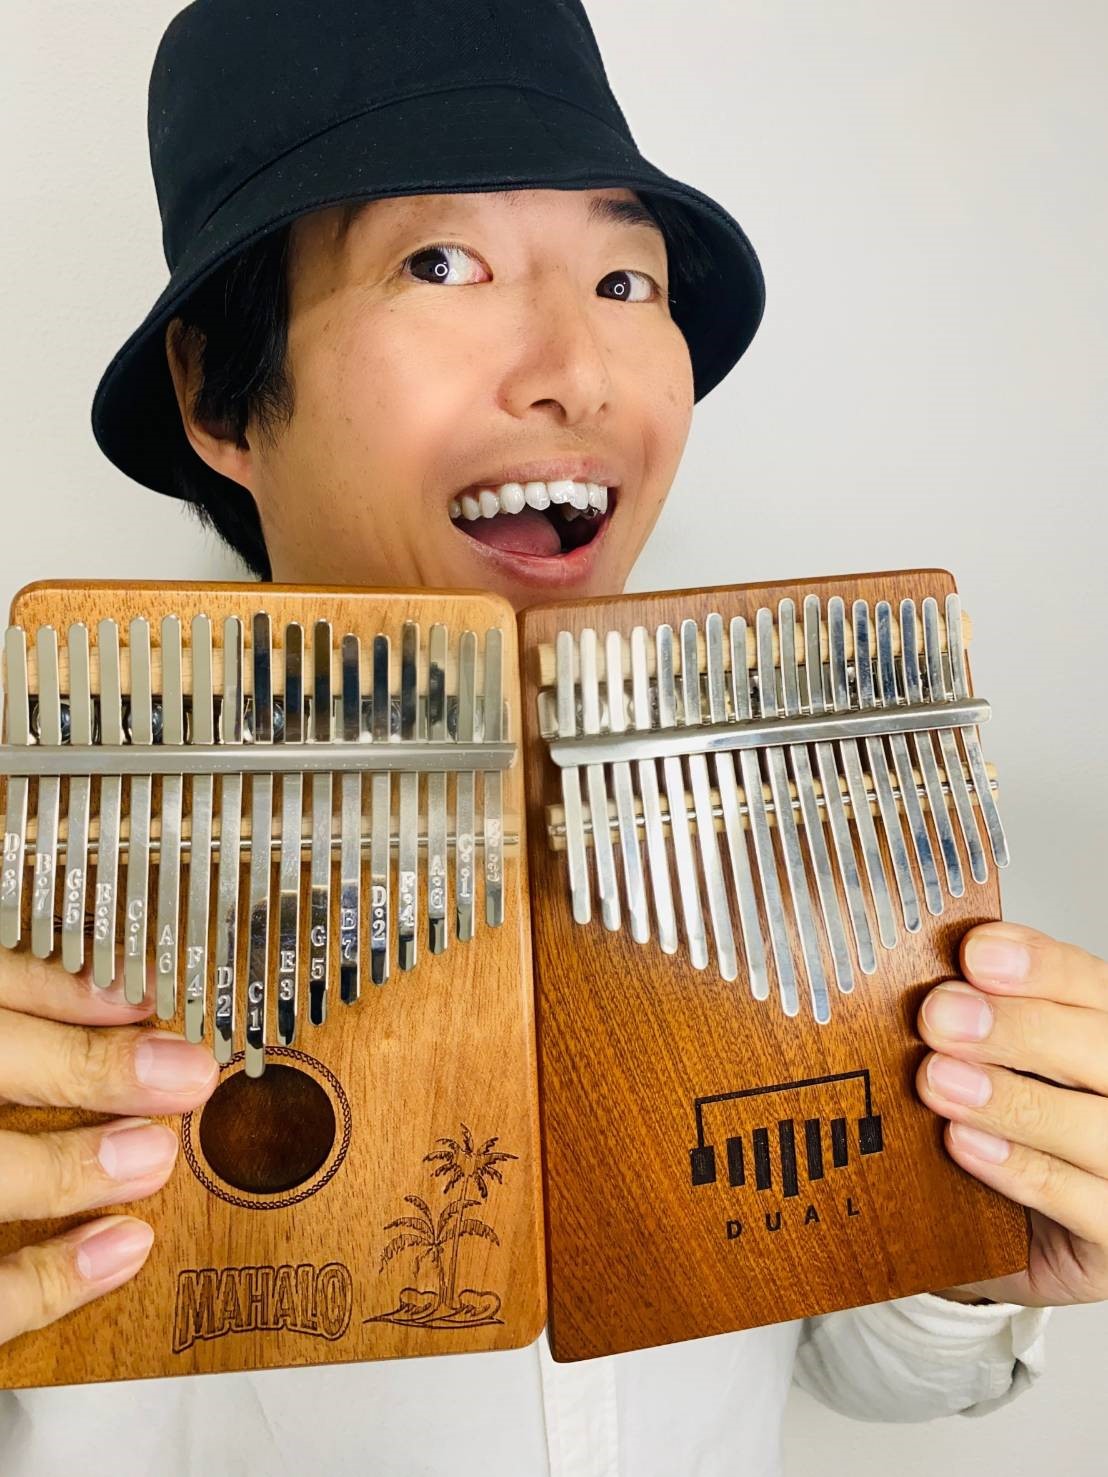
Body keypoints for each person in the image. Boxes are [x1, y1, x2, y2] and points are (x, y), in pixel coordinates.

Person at [2, 3, 1106, 1474]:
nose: (576, 368)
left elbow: (847, 1352)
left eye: (624, 277)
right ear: (218, 392)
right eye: (440, 262)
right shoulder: (35, 899)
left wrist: (973, 1246)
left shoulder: (789, 835)